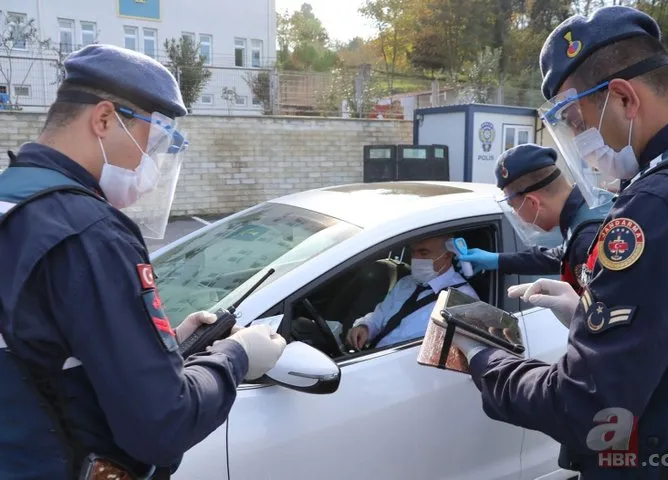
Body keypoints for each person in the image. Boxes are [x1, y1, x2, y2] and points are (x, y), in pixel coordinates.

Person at [451, 6, 668, 479]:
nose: (579, 141)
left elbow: (586, 407)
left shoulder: (662, 205)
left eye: (577, 123)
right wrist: (588, 311)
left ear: (623, 98)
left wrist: (483, 357)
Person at [0, 44, 287, 480]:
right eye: (151, 143)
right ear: (102, 119)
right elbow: (161, 424)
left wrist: (163, 343)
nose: (151, 165)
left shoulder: (13, 199)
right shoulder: (91, 233)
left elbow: (47, 349)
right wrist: (237, 355)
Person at [457, 143, 610, 298]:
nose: (515, 214)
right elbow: (561, 254)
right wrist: (497, 260)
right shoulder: (590, 202)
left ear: (532, 202)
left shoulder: (587, 238)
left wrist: (574, 312)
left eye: (513, 206)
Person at [346, 235, 478, 350]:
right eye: (412, 251)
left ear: (447, 255)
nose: (415, 258)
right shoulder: (406, 283)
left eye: (423, 252)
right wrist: (365, 327)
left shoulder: (462, 301)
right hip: (370, 358)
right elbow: (379, 315)